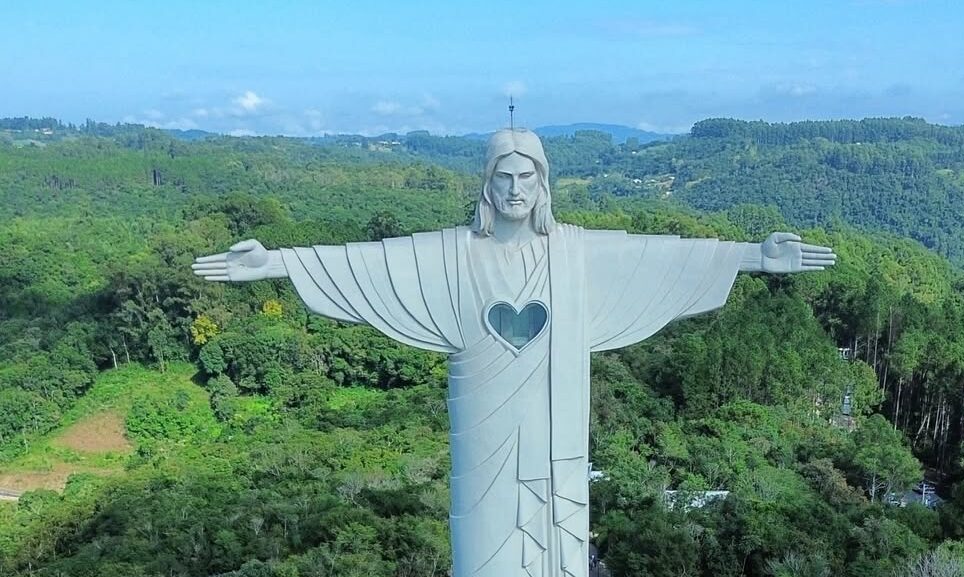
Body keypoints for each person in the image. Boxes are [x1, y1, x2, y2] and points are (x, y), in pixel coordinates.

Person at [192, 128, 836, 577]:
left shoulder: (576, 254)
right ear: (487, 184)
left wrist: (756, 257)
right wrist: (275, 263)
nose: (515, 189)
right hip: (482, 449)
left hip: (558, 449)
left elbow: (664, 257)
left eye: (527, 176)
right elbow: (368, 263)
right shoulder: (450, 255)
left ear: (543, 182)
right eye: (503, 177)